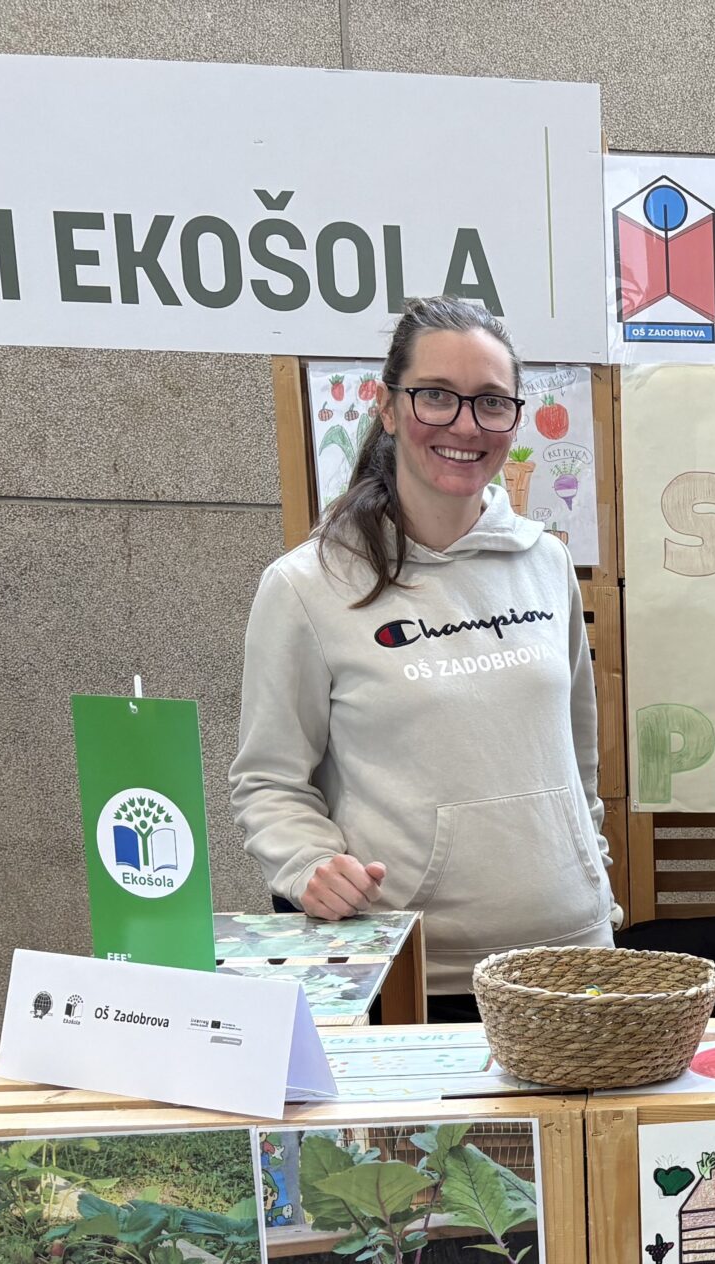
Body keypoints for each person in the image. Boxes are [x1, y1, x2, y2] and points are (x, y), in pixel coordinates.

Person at [230, 297, 616, 1019]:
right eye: (436, 395)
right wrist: (308, 863)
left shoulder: (546, 562)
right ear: (387, 406)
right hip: (413, 973)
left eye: (491, 402)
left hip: (572, 960)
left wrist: (591, 869)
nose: (465, 425)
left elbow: (578, 754)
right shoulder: (308, 586)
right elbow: (268, 781)